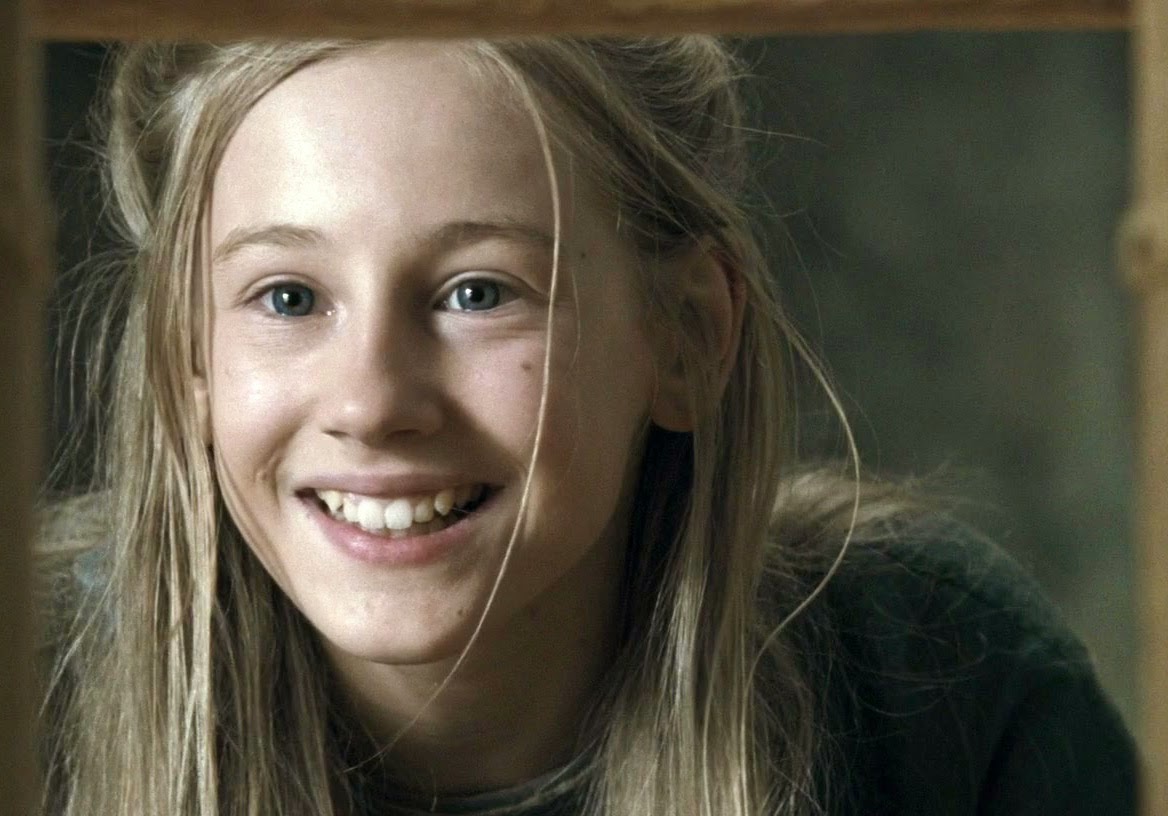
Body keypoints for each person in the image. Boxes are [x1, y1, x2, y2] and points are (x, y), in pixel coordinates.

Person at [37, 37, 1137, 816]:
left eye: (478, 292)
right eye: (287, 298)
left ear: (687, 336)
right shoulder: (22, 689)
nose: (371, 403)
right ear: (189, 357)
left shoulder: (938, 685)